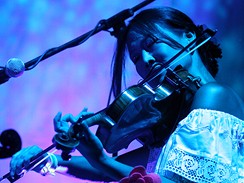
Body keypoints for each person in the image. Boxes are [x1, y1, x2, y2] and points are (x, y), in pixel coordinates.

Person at [8, 6, 244, 183]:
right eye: (136, 58)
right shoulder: (175, 129)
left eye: (151, 45)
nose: (146, 60)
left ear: (189, 36)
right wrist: (49, 161)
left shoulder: (215, 96)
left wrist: (101, 158)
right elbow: (114, 168)